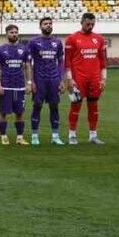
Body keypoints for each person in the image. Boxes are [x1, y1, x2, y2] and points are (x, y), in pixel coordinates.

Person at [65, 12, 108, 145]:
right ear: (82, 22)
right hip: (78, 79)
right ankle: (72, 135)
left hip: (94, 79)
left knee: (93, 106)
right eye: (88, 24)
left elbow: (103, 62)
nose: (90, 26)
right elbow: (67, 62)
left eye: (92, 24)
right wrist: (70, 79)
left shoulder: (99, 39)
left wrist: (103, 79)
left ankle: (93, 136)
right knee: (75, 106)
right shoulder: (72, 39)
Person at [27, 17, 67, 146]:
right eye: (45, 24)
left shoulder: (57, 42)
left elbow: (60, 62)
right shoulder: (33, 42)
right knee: (37, 106)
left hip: (54, 79)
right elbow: (28, 63)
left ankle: (55, 136)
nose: (48, 25)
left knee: (54, 106)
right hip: (39, 79)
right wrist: (31, 81)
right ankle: (34, 136)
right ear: (40, 26)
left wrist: (61, 80)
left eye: (50, 23)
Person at [0, 24, 30, 146]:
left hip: (20, 85)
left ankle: (20, 138)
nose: (14, 34)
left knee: (20, 112)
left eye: (15, 32)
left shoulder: (24, 49)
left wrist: (29, 83)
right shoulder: (0, 49)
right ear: (6, 34)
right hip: (6, 85)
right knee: (3, 113)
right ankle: (3, 136)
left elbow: (27, 66)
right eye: (11, 32)